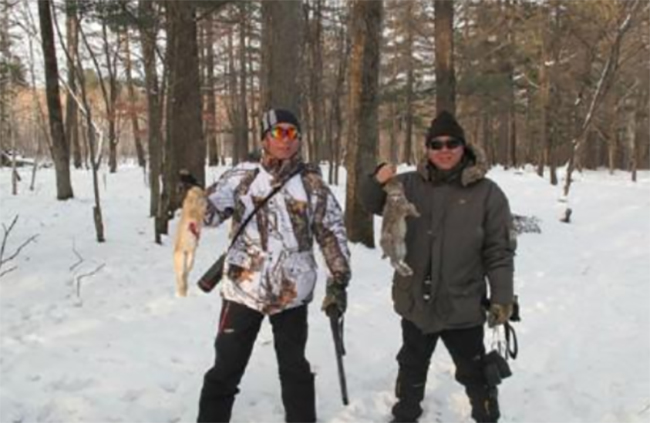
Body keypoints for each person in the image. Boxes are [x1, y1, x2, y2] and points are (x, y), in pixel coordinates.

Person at [196, 108, 351, 422]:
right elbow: (210, 216)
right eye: (278, 132)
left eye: (292, 133)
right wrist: (194, 199)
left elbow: (331, 232)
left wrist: (338, 279)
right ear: (265, 137)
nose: (286, 140)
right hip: (243, 288)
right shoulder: (243, 176)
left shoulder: (311, 183)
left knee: (295, 370)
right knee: (225, 369)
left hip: (291, 292)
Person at [360, 110, 516, 423]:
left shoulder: (488, 193)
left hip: (463, 302)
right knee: (411, 363)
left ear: (463, 146)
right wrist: (376, 180)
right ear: (427, 148)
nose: (444, 150)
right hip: (416, 299)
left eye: (452, 143)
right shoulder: (406, 185)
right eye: (437, 144)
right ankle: (405, 414)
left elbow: (499, 251)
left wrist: (502, 297)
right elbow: (371, 202)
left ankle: (486, 416)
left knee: (474, 371)